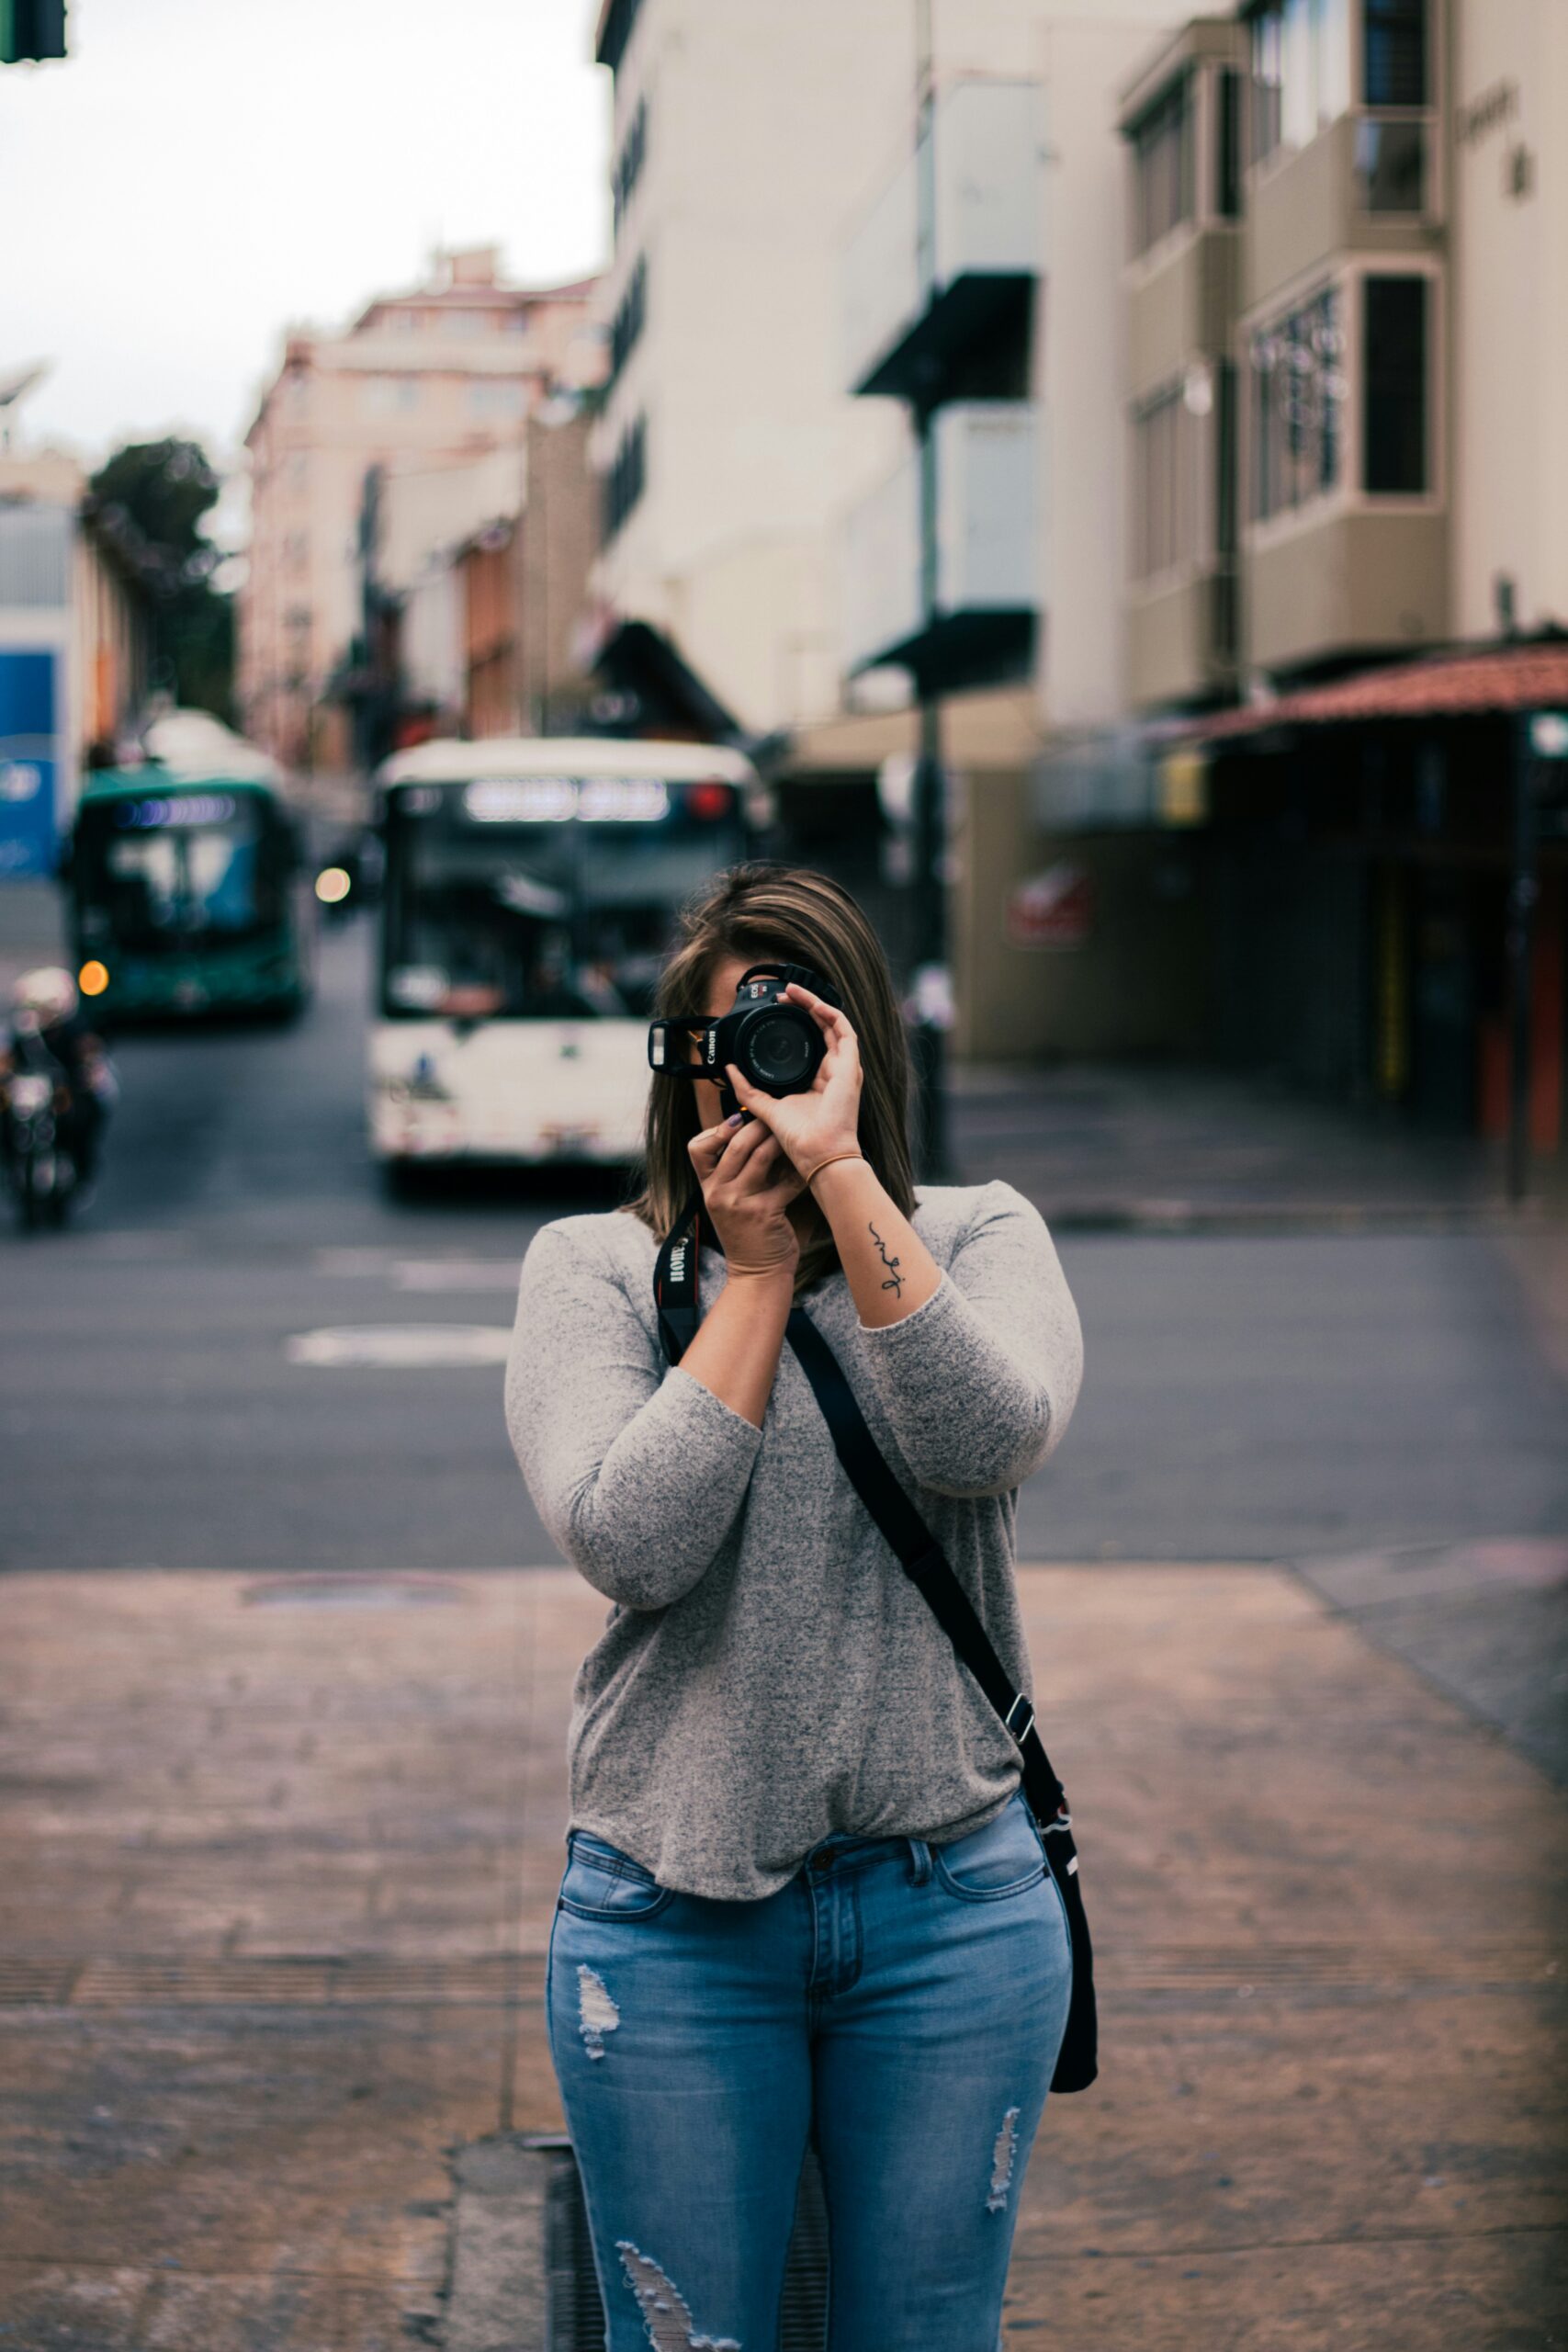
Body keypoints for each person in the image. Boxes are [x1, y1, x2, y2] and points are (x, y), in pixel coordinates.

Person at [506, 865, 1085, 2351]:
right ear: (681, 1069)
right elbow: (632, 1542)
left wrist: (839, 1182)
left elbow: (982, 1443)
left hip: (949, 1909)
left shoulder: (979, 1236)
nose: (765, 1073)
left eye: (798, 1034)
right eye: (733, 1042)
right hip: (671, 1919)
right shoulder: (595, 1270)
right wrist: (751, 1278)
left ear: (860, 1048)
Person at [3, 967, 116, 1182]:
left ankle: (81, 1166)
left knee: (82, 1117)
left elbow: (92, 1059)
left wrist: (88, 1069)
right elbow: (7, 1058)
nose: (39, 1014)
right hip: (28, 1097)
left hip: (65, 1092)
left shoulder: (75, 1031)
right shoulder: (22, 1032)